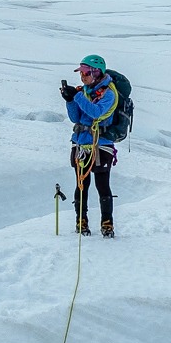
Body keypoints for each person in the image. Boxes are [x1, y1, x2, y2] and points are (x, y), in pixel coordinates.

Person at [60, 54, 119, 237]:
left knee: (102, 185)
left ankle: (107, 225)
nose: (82, 76)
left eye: (86, 72)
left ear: (97, 72)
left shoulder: (109, 93)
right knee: (81, 185)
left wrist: (77, 97)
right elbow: (75, 118)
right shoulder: (84, 92)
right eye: (81, 73)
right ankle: (81, 222)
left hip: (101, 145)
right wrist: (70, 100)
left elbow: (97, 113)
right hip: (80, 143)